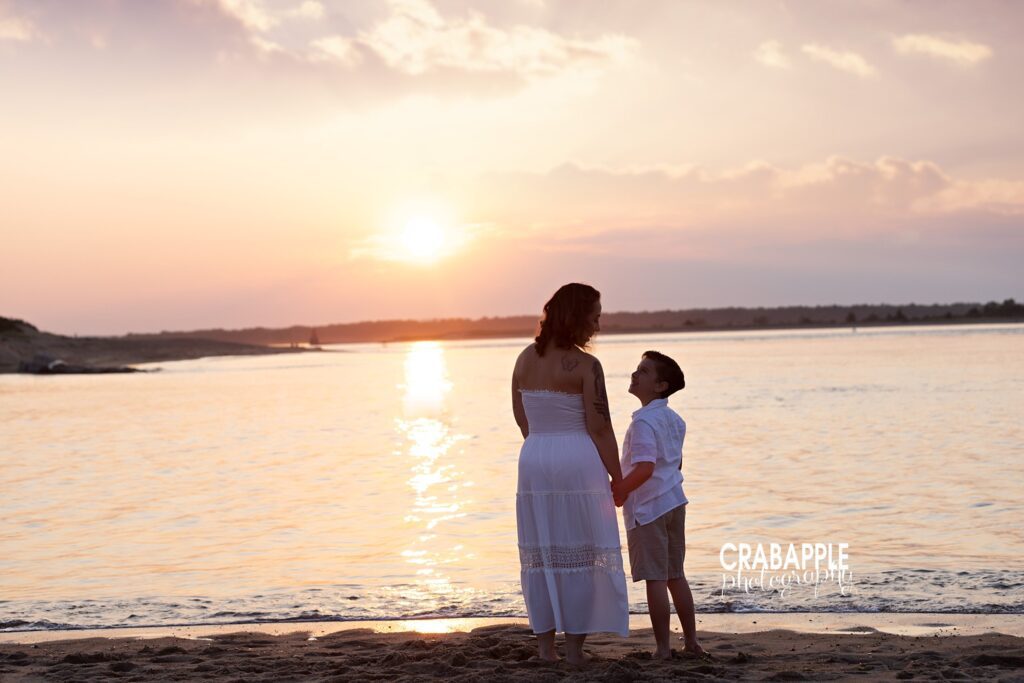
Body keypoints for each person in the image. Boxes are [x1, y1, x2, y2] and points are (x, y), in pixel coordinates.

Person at [512, 283, 630, 664]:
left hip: (533, 458)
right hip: (576, 457)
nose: (598, 322)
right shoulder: (586, 366)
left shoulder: (524, 358)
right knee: (582, 549)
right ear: (577, 317)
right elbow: (600, 427)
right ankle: (574, 650)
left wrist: (540, 445)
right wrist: (619, 478)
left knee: (543, 551)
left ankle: (546, 648)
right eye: (594, 315)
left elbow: (521, 416)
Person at [612, 351, 705, 659]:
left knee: (655, 578)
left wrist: (620, 490)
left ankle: (663, 648)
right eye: (637, 368)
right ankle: (691, 641)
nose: (635, 374)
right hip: (674, 501)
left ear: (660, 386)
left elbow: (645, 467)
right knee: (675, 574)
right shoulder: (674, 420)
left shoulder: (643, 424)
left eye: (643, 371)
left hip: (649, 508)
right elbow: (676, 463)